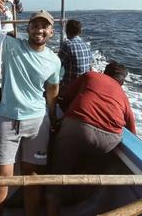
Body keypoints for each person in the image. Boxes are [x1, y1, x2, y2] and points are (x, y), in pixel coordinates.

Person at [0, 0, 61, 216]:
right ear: (28, 28)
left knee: (32, 178)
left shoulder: (54, 60)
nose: (39, 30)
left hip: (38, 123)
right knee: (1, 182)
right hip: (7, 120)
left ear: (51, 31)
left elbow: (52, 91)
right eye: (35, 25)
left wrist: (53, 119)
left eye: (45, 26)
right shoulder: (11, 46)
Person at [46, 61, 136, 216]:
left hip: (79, 129)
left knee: (57, 175)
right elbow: (131, 129)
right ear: (122, 82)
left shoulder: (91, 75)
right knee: (89, 170)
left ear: (104, 72)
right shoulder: (123, 96)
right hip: (110, 139)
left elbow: (65, 95)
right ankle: (83, 205)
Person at [58, 19, 92, 92]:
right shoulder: (87, 46)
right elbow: (90, 67)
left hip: (70, 88)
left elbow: (56, 65)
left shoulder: (68, 45)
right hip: (83, 87)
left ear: (67, 31)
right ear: (80, 32)